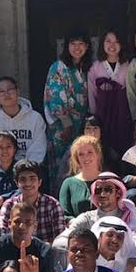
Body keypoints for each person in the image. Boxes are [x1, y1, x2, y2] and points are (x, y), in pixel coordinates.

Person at [44, 32, 92, 184]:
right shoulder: (58, 67)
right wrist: (66, 124)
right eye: (73, 44)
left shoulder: (86, 68)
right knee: (63, 166)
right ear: (67, 46)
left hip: (82, 125)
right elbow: (55, 98)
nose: (77, 48)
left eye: (81, 44)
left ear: (87, 46)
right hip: (63, 127)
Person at [87, 29, 134, 161]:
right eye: (108, 41)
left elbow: (132, 93)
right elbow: (92, 94)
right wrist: (94, 118)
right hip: (103, 114)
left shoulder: (128, 65)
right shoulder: (94, 67)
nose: (112, 45)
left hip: (122, 114)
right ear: (102, 43)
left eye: (116, 42)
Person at [0, 76, 48, 166]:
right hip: (1, 167)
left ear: (17, 91)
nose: (6, 94)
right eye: (1, 91)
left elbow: (39, 149)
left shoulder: (35, 118)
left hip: (30, 168)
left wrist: (25, 168)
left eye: (10, 89)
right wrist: (4, 167)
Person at [0, 160, 65, 243]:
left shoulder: (52, 205)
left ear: (39, 182)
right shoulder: (9, 206)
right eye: (23, 179)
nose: (28, 183)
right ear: (16, 183)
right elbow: (3, 236)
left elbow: (60, 240)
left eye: (32, 179)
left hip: (46, 250)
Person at [57, 136, 104, 217]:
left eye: (90, 152)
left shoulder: (109, 180)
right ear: (77, 158)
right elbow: (65, 215)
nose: (86, 157)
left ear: (97, 154)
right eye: (81, 154)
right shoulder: (68, 183)